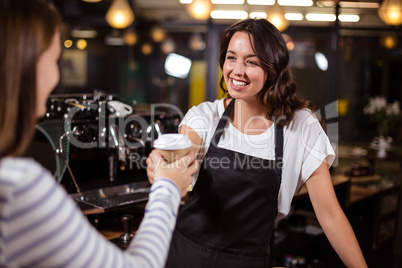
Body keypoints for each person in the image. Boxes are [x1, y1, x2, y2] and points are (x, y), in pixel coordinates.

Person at [147, 19, 367, 267]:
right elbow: (181, 153)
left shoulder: (301, 126)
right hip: (186, 255)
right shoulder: (205, 116)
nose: (237, 70)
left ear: (272, 69)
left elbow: (330, 214)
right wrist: (162, 162)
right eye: (231, 58)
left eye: (250, 61)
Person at [0, 0, 198, 267]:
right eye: (54, 59)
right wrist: (168, 187)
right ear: (24, 67)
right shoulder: (19, 184)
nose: (56, 76)